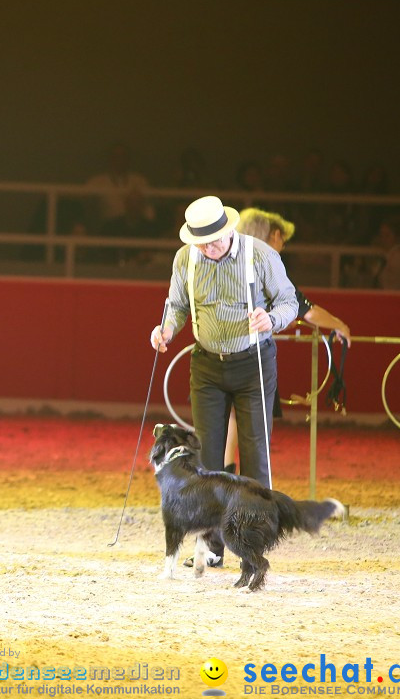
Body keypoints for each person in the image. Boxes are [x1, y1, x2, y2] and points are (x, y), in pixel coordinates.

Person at [149, 195, 298, 568]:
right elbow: (177, 305)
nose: (208, 248)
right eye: (201, 242)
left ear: (228, 229)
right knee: (205, 460)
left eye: (214, 240)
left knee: (255, 456)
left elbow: (289, 301)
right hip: (206, 365)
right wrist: (165, 329)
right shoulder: (186, 259)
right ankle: (212, 549)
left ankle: (254, 544)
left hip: (254, 363)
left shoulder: (260, 255)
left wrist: (272, 320)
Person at [223, 208, 352, 469]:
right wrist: (339, 324)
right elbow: (308, 310)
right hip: (252, 357)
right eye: (283, 240)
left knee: (228, 419)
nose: (283, 246)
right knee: (253, 424)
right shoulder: (267, 265)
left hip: (219, 354)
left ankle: (222, 475)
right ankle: (250, 484)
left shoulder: (225, 264)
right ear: (275, 235)